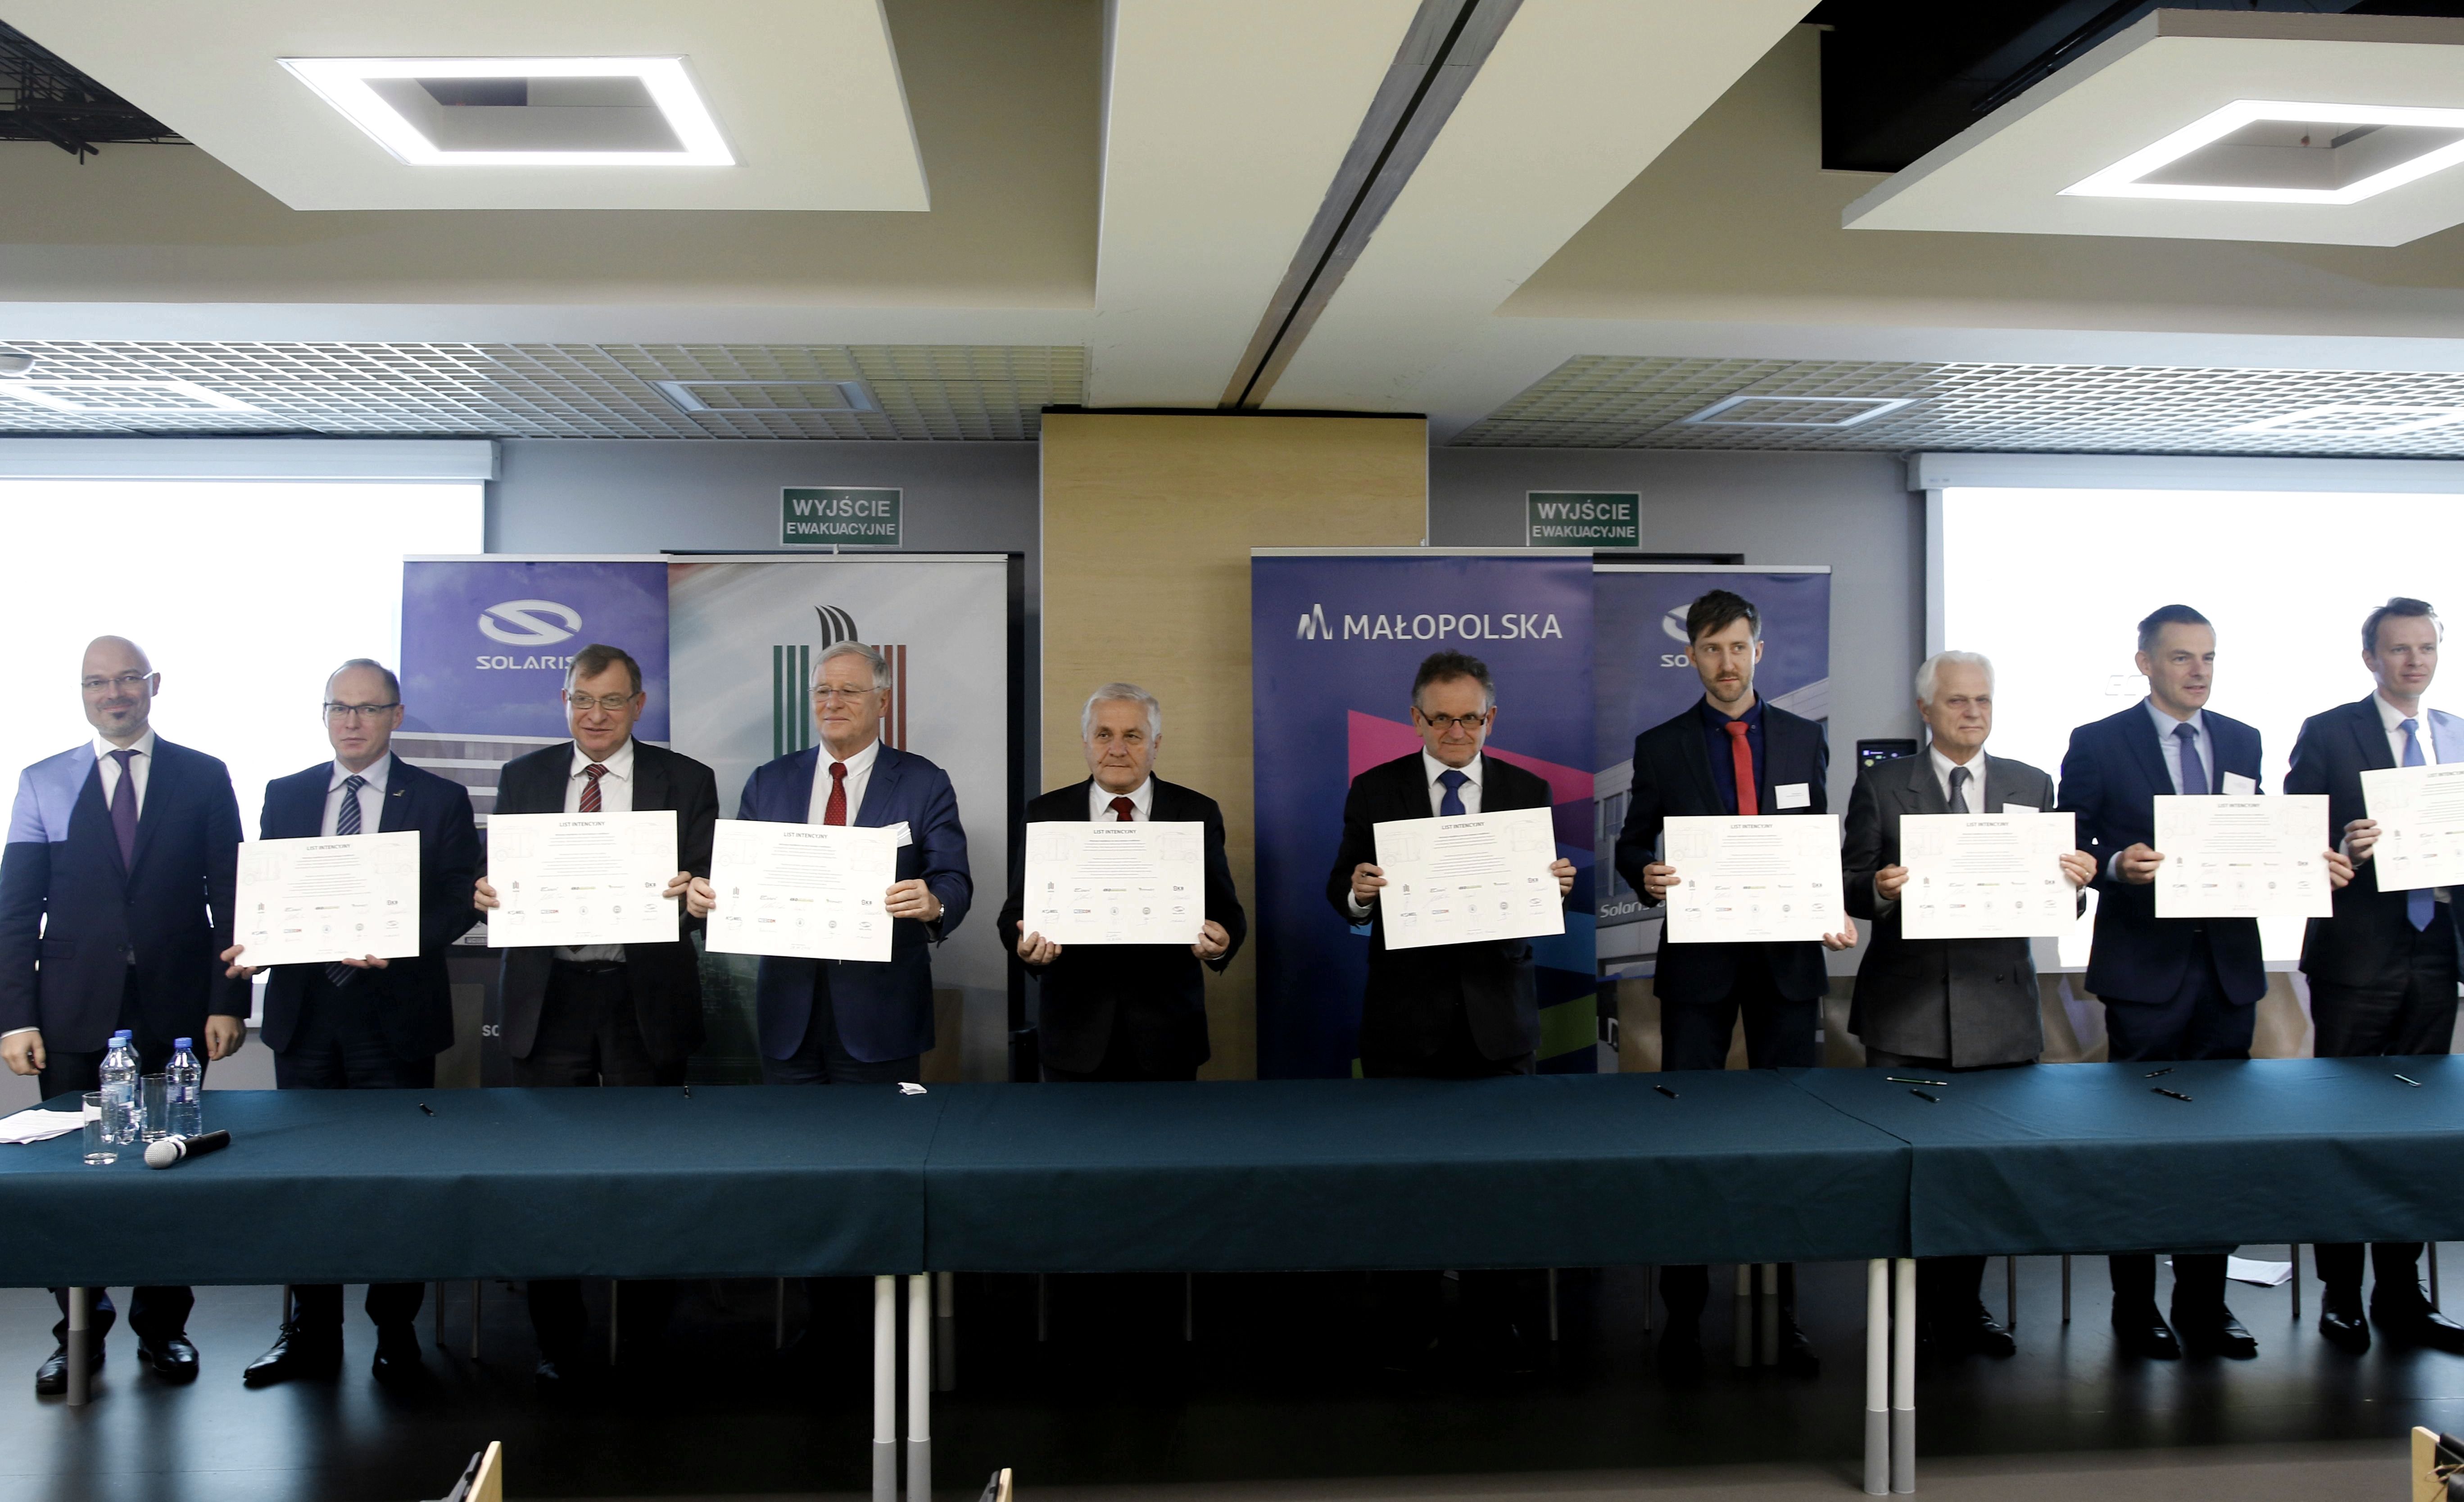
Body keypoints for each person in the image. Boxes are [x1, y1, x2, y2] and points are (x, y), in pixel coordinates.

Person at [2059, 604, 2351, 1361]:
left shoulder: (2243, 739)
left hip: (2227, 973)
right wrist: (2115, 863)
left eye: (2209, 657)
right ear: (2145, 663)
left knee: (2218, 1149)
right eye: (2183, 657)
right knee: (2137, 1148)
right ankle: (2134, 1306)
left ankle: (2204, 1303)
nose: (2199, 672)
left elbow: (2255, 838)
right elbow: (2070, 839)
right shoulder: (2098, 741)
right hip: (2143, 974)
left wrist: (2305, 861)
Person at [1613, 589, 1853, 1379]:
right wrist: (1647, 875)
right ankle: (1684, 1315)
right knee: (1689, 1137)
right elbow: (1632, 844)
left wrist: (1828, 902)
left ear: (1759, 650)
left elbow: (1817, 840)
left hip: (1786, 963)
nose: (1727, 662)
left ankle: (1782, 1312)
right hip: (1700, 965)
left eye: (1738, 647)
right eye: (1712, 649)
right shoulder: (1661, 746)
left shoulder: (1803, 738)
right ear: (1690, 656)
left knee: (1787, 1140)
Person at [0, 636, 248, 1395]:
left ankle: (164, 1327)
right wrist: (14, 1017)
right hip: (70, 1011)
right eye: (97, 683)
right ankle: (79, 1328)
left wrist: (227, 1000)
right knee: (69, 1176)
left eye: (127, 679)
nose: (114, 694)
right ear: (83, 693)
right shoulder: (43, 781)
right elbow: (17, 911)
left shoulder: (204, 775)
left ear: (153, 684)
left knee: (171, 1170)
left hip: (178, 1009)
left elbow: (231, 895)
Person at [223, 659, 479, 1388]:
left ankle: (395, 1330)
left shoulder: (440, 798)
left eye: (368, 709)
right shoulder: (287, 793)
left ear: (396, 715)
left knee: (396, 1182)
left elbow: (460, 900)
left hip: (395, 1019)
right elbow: (271, 894)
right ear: (325, 715)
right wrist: (256, 940)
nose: (353, 722)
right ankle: (311, 1329)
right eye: (340, 708)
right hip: (307, 1019)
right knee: (307, 1181)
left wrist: (399, 939)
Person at [474, 642, 717, 1391]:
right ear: (565, 702)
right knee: (549, 1175)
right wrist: (485, 893)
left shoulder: (687, 779)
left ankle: (645, 1335)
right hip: (549, 996)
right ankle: (558, 1339)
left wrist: (698, 890)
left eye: (613, 701)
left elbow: (711, 884)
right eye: (583, 700)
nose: (597, 716)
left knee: (651, 1173)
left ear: (639, 705)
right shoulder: (524, 778)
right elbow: (498, 879)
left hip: (644, 994)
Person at [1326, 649, 1577, 1372]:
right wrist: (1360, 894)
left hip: (1500, 1019)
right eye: (1441, 719)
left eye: (1471, 718)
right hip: (1405, 1020)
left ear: (1492, 718)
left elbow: (1536, 898)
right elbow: (1340, 889)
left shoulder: (1528, 790)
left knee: (1502, 1178)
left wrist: (1555, 887)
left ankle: (1495, 1315)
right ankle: (1409, 1316)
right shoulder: (1376, 789)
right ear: (1415, 719)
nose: (1457, 732)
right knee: (1406, 1176)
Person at [1843, 650, 2093, 1360]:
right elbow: (1850, 882)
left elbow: (2058, 898)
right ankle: (1906, 1309)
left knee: (1983, 1172)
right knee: (1905, 1170)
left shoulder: (2031, 783)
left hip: (1999, 1008)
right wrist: (1879, 889)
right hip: (1908, 1007)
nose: (1973, 712)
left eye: (1983, 700)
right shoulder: (1884, 784)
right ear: (1927, 709)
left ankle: (1963, 1308)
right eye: (1957, 701)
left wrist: (2076, 885)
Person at [2285, 597, 2464, 1354]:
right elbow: (2291, 834)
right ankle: (2341, 1292)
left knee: (2414, 1132)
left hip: (2437, 950)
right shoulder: (2330, 731)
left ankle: (2402, 1291)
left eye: (2426, 647)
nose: (2414, 661)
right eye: (2398, 649)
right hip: (2357, 956)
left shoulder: (2457, 734)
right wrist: (2341, 843)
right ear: (2370, 658)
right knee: (2345, 1130)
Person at [701, 640, 970, 1085]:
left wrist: (934, 904)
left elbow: (953, 880)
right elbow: (735, 881)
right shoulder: (769, 781)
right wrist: (710, 895)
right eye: (823, 691)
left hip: (882, 1015)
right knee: (792, 1131)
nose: (833, 702)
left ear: (883, 701)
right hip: (788, 1014)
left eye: (849, 691)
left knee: (877, 1131)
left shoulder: (924, 783)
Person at [1000, 683, 1244, 1081]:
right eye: (1104, 735)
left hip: (1168, 1036)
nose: (1117, 749)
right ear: (1085, 743)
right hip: (1073, 1035)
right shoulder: (1046, 813)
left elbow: (1227, 912)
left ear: (1156, 744)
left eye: (1132, 736)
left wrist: (1220, 946)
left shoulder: (1196, 812)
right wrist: (1026, 947)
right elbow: (1014, 914)